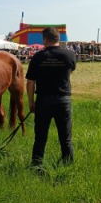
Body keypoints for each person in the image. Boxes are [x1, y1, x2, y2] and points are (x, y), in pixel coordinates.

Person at [27, 25, 76, 169]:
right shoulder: (70, 55)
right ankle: (68, 167)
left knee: (40, 138)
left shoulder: (38, 57)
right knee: (65, 138)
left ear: (45, 40)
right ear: (58, 39)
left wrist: (31, 102)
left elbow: (30, 83)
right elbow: (69, 72)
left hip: (43, 100)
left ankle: (36, 166)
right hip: (63, 100)